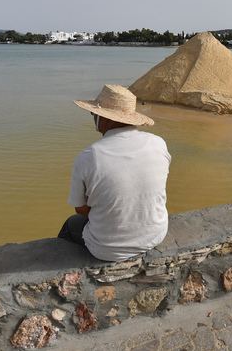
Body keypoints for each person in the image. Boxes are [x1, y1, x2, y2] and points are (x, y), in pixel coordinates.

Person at [58, 84, 170, 261]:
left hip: (107, 249)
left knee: (70, 225)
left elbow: (80, 208)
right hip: (156, 235)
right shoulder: (158, 143)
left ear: (106, 118)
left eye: (94, 113)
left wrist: (111, 217)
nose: (93, 117)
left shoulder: (88, 157)